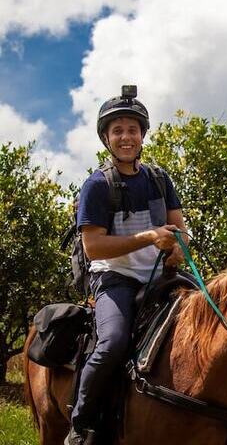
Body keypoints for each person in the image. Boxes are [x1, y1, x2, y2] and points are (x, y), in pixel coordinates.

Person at [66, 86, 188, 445]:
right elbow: (93, 247)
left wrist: (176, 250)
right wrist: (149, 238)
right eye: (117, 130)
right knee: (114, 342)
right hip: (114, 278)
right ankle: (82, 424)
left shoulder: (158, 179)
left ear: (142, 135)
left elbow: (179, 230)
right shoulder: (96, 186)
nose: (126, 137)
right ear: (106, 138)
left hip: (159, 277)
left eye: (132, 129)